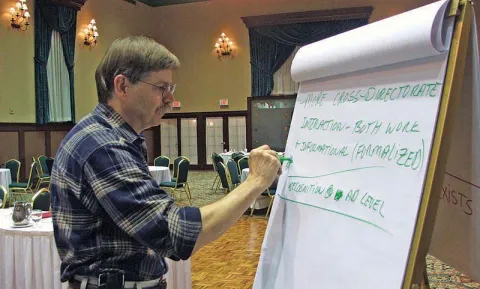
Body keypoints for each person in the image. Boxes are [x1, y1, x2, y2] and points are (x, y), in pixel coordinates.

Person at [50, 35, 281, 289]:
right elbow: (175, 234)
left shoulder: (116, 137)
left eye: (171, 89)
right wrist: (256, 181)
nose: (170, 99)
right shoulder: (102, 146)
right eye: (161, 88)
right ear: (122, 86)